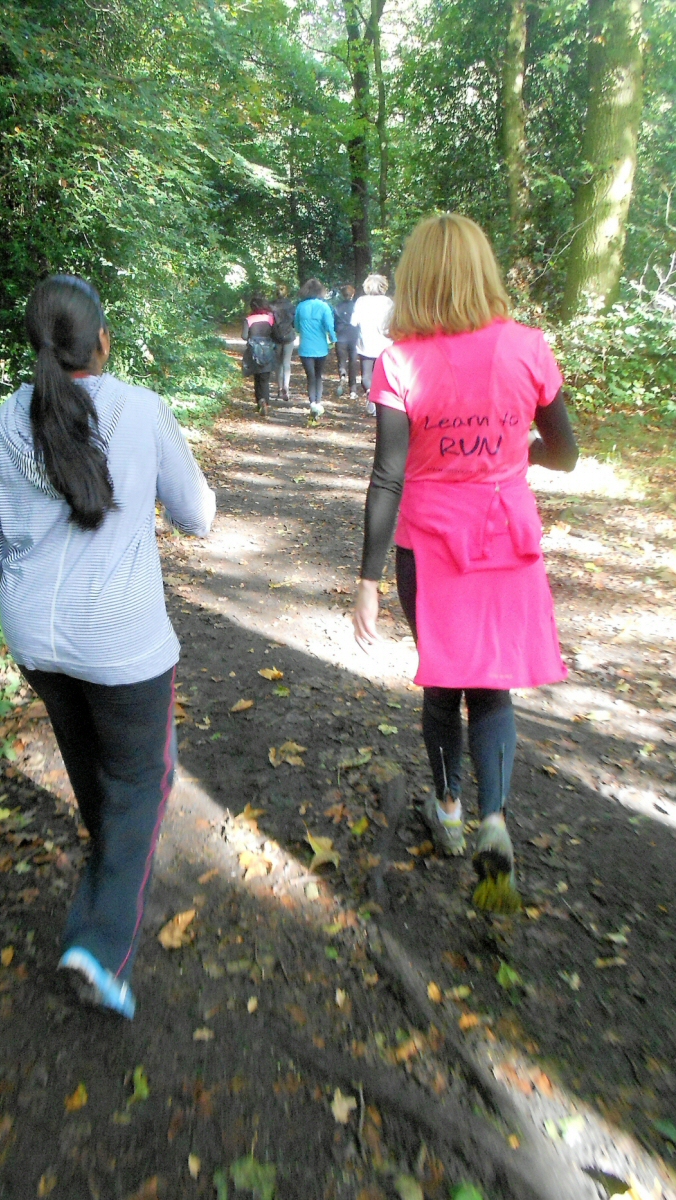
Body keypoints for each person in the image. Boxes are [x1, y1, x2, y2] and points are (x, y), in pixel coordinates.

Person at [0, 275, 216, 1017]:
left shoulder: (0, 424)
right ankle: (99, 947)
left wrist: (20, 575)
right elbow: (196, 515)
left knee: (99, 785)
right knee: (142, 784)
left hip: (37, 643)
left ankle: (106, 886)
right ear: (102, 340)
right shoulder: (139, 410)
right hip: (124, 643)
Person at [352, 214, 578, 912]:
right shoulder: (528, 349)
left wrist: (365, 583)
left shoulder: (400, 363)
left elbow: (388, 476)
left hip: (430, 544)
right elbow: (566, 451)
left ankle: (447, 810)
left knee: (442, 683)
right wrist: (516, 456)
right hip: (508, 540)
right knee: (494, 686)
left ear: (414, 279)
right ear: (485, 272)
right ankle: (495, 822)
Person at [294, 277, 336, 419]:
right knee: (318, 376)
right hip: (321, 347)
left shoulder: (300, 306)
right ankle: (318, 402)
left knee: (310, 377)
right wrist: (334, 339)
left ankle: (312, 403)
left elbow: (297, 326)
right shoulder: (324, 307)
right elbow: (329, 326)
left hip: (305, 347)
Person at [351, 274, 393, 411]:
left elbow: (353, 322)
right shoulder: (388, 302)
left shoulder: (361, 301)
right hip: (384, 345)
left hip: (366, 344)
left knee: (366, 376)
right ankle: (380, 401)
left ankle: (370, 394)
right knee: (382, 375)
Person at [241, 294, 277, 419]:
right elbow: (276, 333)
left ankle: (259, 401)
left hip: (254, 350)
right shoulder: (270, 318)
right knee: (265, 379)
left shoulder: (249, 319)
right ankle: (265, 402)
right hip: (267, 348)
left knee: (257, 377)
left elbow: (244, 336)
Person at [332, 284, 359, 399]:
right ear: (353, 294)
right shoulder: (356, 307)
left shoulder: (337, 307)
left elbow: (334, 325)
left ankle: (342, 375)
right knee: (353, 362)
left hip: (341, 337)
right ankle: (353, 390)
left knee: (342, 361)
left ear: (343, 295)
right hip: (354, 337)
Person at [271, 284, 296, 402]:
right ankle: (286, 386)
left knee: (278, 364)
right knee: (286, 363)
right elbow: (295, 323)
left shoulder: (271, 306)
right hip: (289, 337)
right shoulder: (291, 306)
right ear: (286, 293)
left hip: (275, 337)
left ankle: (279, 387)